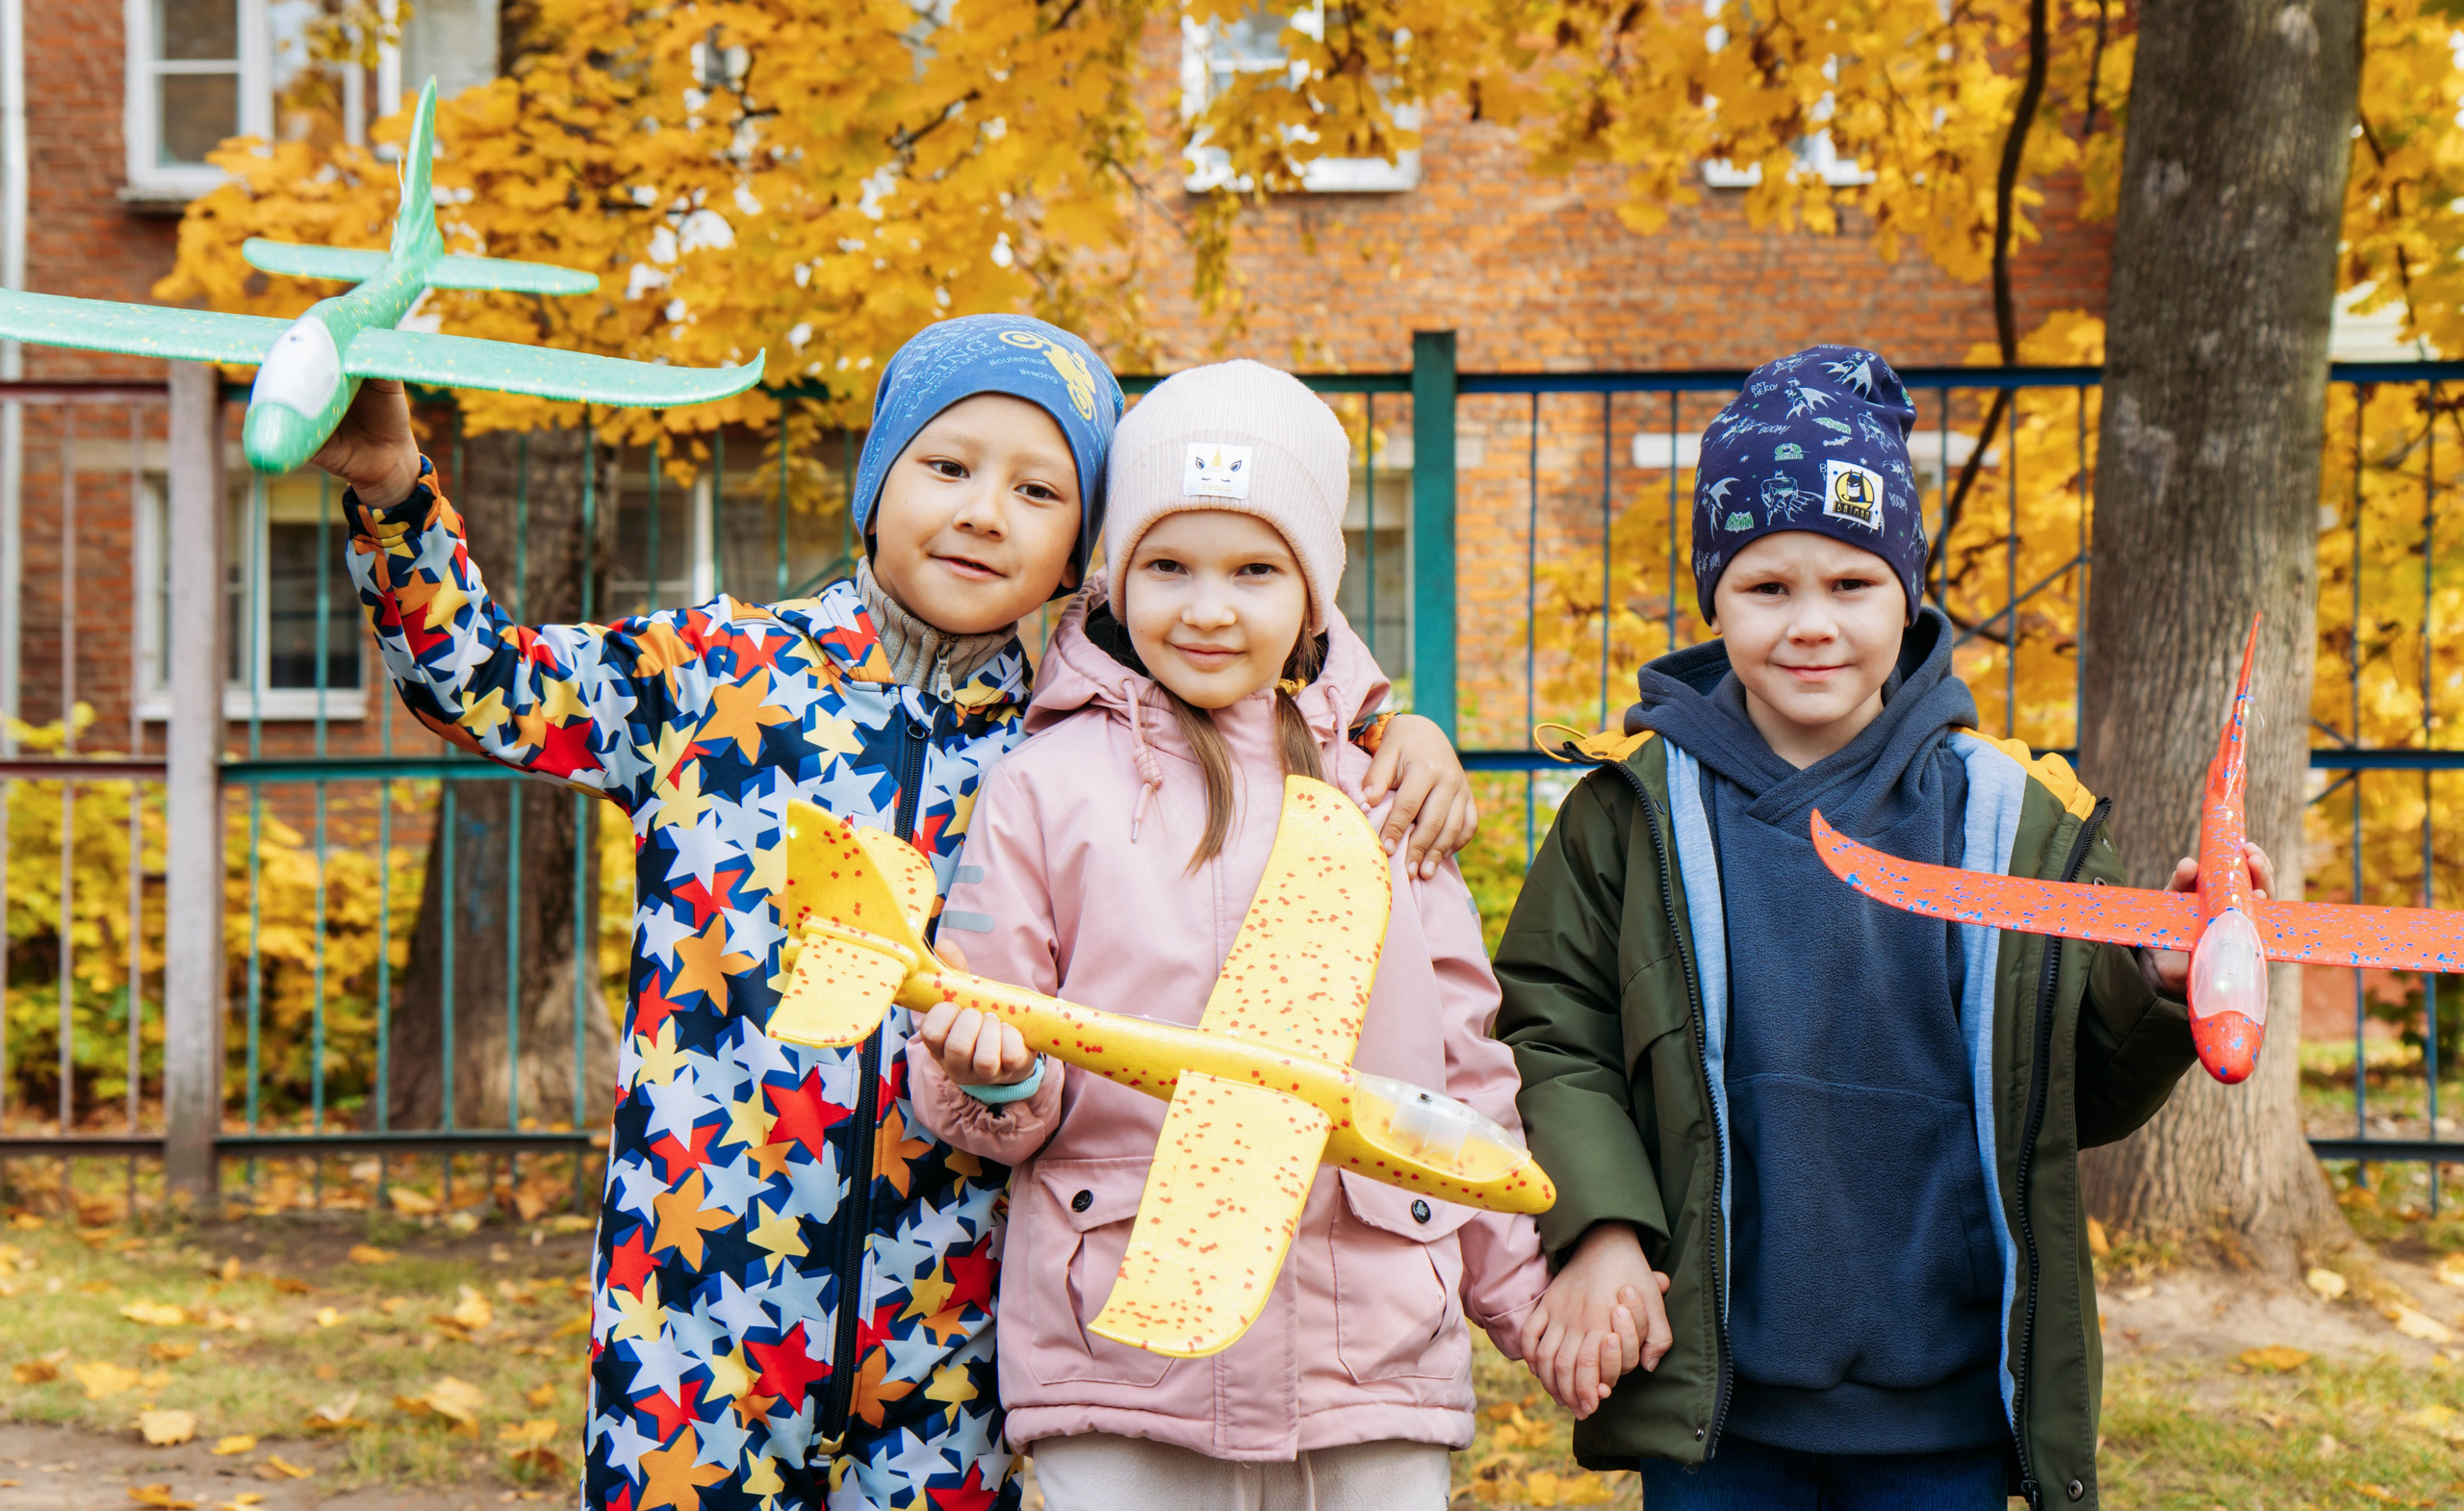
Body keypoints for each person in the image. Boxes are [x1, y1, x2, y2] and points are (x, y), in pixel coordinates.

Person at [318, 319, 1478, 1511]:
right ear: (875, 485)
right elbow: (482, 684)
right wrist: (397, 494)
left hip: (949, 1319)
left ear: (1087, 549)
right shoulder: (716, 673)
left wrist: (1393, 729)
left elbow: (1260, 697)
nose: (984, 512)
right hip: (699, 1290)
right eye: (946, 466)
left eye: (1038, 489)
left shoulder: (1077, 742)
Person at [1495, 346, 2274, 1510]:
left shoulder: (2018, 822)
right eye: (1767, 587)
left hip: (1945, 1405)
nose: (1810, 625)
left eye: (1851, 585)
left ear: (1909, 595)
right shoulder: (1631, 814)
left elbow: (2078, 1101)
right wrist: (1602, 1228)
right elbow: (1551, 1035)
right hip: (1718, 1400)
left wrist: (2161, 987)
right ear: (1713, 597)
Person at [904, 361, 1556, 1511]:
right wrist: (990, 1079)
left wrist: (1525, 1298)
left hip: (1371, 1350)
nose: (1208, 608)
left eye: (1254, 570)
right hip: (1123, 1354)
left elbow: (1463, 1076)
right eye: (1168, 566)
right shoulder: (1040, 790)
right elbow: (981, 1050)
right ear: (1113, 580)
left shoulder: (1387, 791)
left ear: (1314, 596)